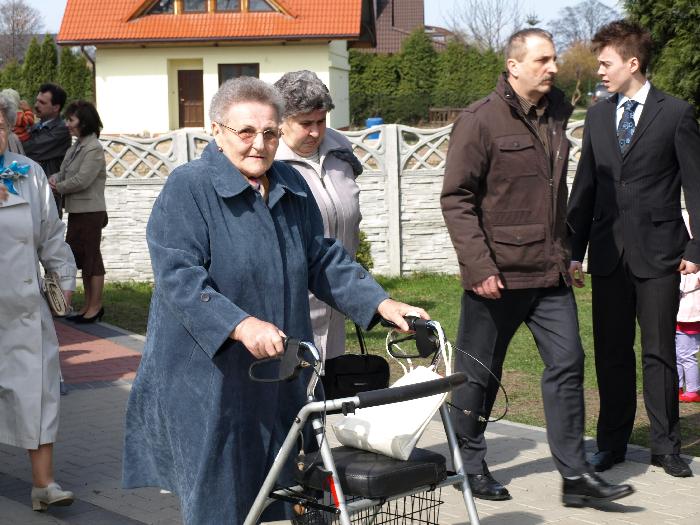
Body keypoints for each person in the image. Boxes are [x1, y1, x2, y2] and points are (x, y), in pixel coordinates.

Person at [122, 77, 427, 524]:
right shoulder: (189, 187)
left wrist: (381, 304)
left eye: (269, 133)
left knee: (296, 488)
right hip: (210, 378)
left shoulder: (288, 182)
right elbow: (179, 277)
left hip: (280, 370)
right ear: (216, 130)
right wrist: (239, 324)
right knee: (221, 500)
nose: (259, 144)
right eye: (246, 131)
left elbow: (321, 258)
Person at [441, 28, 633, 506]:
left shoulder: (557, 112)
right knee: (479, 373)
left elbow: (553, 192)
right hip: (496, 275)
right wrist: (478, 266)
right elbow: (456, 199)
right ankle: (468, 463)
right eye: (542, 60)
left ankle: (575, 477)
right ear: (514, 66)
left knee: (568, 363)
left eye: (553, 59)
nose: (553, 67)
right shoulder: (479, 121)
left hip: (549, 271)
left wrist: (567, 251)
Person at [567, 20, 700, 478]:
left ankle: (666, 446)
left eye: (606, 63)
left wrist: (697, 248)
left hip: (661, 254)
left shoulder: (676, 113)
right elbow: (584, 187)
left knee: (660, 352)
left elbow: (696, 186)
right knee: (611, 353)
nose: (600, 71)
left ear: (633, 63)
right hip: (607, 255)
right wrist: (574, 250)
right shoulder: (597, 117)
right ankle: (612, 443)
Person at [0, 93, 77, 512]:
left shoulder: (27, 173)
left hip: (25, 307)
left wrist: (63, 281)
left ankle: (43, 484)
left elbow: (51, 234)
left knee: (38, 391)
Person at [274, 70, 364, 365]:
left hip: (338, 292)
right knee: (295, 376)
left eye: (321, 121)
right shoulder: (268, 162)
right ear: (280, 121)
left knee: (331, 377)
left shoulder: (340, 150)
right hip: (291, 302)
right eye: (305, 124)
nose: (315, 132)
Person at [49, 101, 108, 323]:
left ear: (84, 122)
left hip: (91, 211)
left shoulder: (94, 148)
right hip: (78, 211)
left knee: (92, 259)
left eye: (71, 119)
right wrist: (54, 178)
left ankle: (95, 307)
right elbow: (65, 173)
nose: (67, 124)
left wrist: (58, 187)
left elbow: (83, 179)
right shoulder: (76, 147)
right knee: (81, 258)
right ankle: (87, 306)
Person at [23, 83, 71, 216]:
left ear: (56, 107)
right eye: (37, 100)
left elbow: (28, 149)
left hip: (48, 196)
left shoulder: (61, 130)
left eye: (42, 102)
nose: (36, 105)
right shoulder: (35, 126)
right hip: (30, 191)